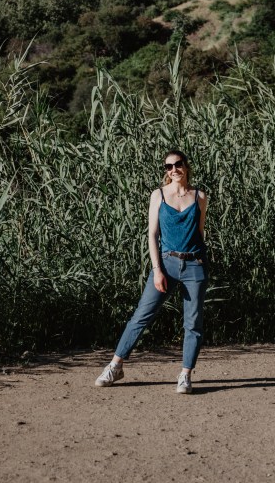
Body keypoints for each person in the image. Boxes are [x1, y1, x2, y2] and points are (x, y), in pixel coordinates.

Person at [95, 149, 208, 394]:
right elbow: (152, 234)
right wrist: (157, 270)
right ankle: (116, 365)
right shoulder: (158, 195)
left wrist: (201, 262)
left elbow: (200, 232)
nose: (174, 170)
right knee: (141, 316)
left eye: (178, 164)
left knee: (193, 323)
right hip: (166, 263)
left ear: (186, 166)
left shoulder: (199, 196)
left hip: (193, 265)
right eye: (169, 166)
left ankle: (185, 375)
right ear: (165, 171)